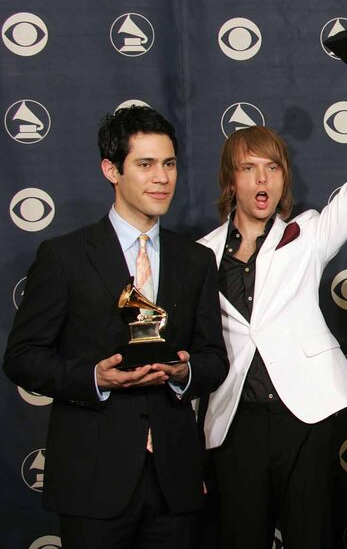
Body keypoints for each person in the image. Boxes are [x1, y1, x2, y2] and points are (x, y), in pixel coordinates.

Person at [196, 45, 347, 548]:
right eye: (249, 168)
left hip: (303, 415)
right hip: (232, 420)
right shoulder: (197, 255)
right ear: (231, 180)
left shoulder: (307, 234)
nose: (262, 178)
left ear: (284, 177)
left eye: (273, 167)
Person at [4, 105, 229, 549]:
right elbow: (22, 357)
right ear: (112, 170)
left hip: (175, 481)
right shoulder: (64, 256)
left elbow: (213, 360)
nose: (161, 178)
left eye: (168, 164)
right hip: (93, 478)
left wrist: (185, 373)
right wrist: (93, 378)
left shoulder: (196, 260)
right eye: (144, 165)